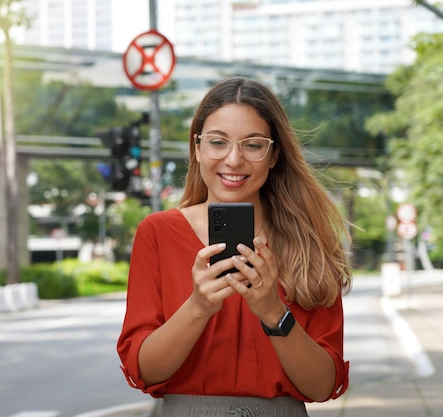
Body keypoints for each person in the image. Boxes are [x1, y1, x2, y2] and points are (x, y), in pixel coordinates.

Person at [117, 76, 352, 416]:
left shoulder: (308, 241)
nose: (233, 160)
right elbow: (145, 371)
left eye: (253, 145)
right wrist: (198, 306)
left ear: (273, 155)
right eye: (217, 142)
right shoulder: (157, 233)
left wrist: (274, 312)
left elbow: (321, 386)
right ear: (197, 148)